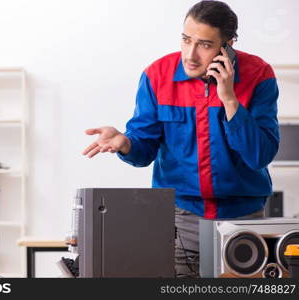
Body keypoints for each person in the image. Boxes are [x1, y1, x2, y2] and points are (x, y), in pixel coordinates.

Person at [82, 0, 279, 278]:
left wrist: (230, 99)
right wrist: (126, 143)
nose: (191, 55)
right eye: (186, 40)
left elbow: (260, 155)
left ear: (228, 45)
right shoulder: (157, 75)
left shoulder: (259, 75)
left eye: (205, 45)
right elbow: (144, 149)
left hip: (243, 218)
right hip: (181, 216)